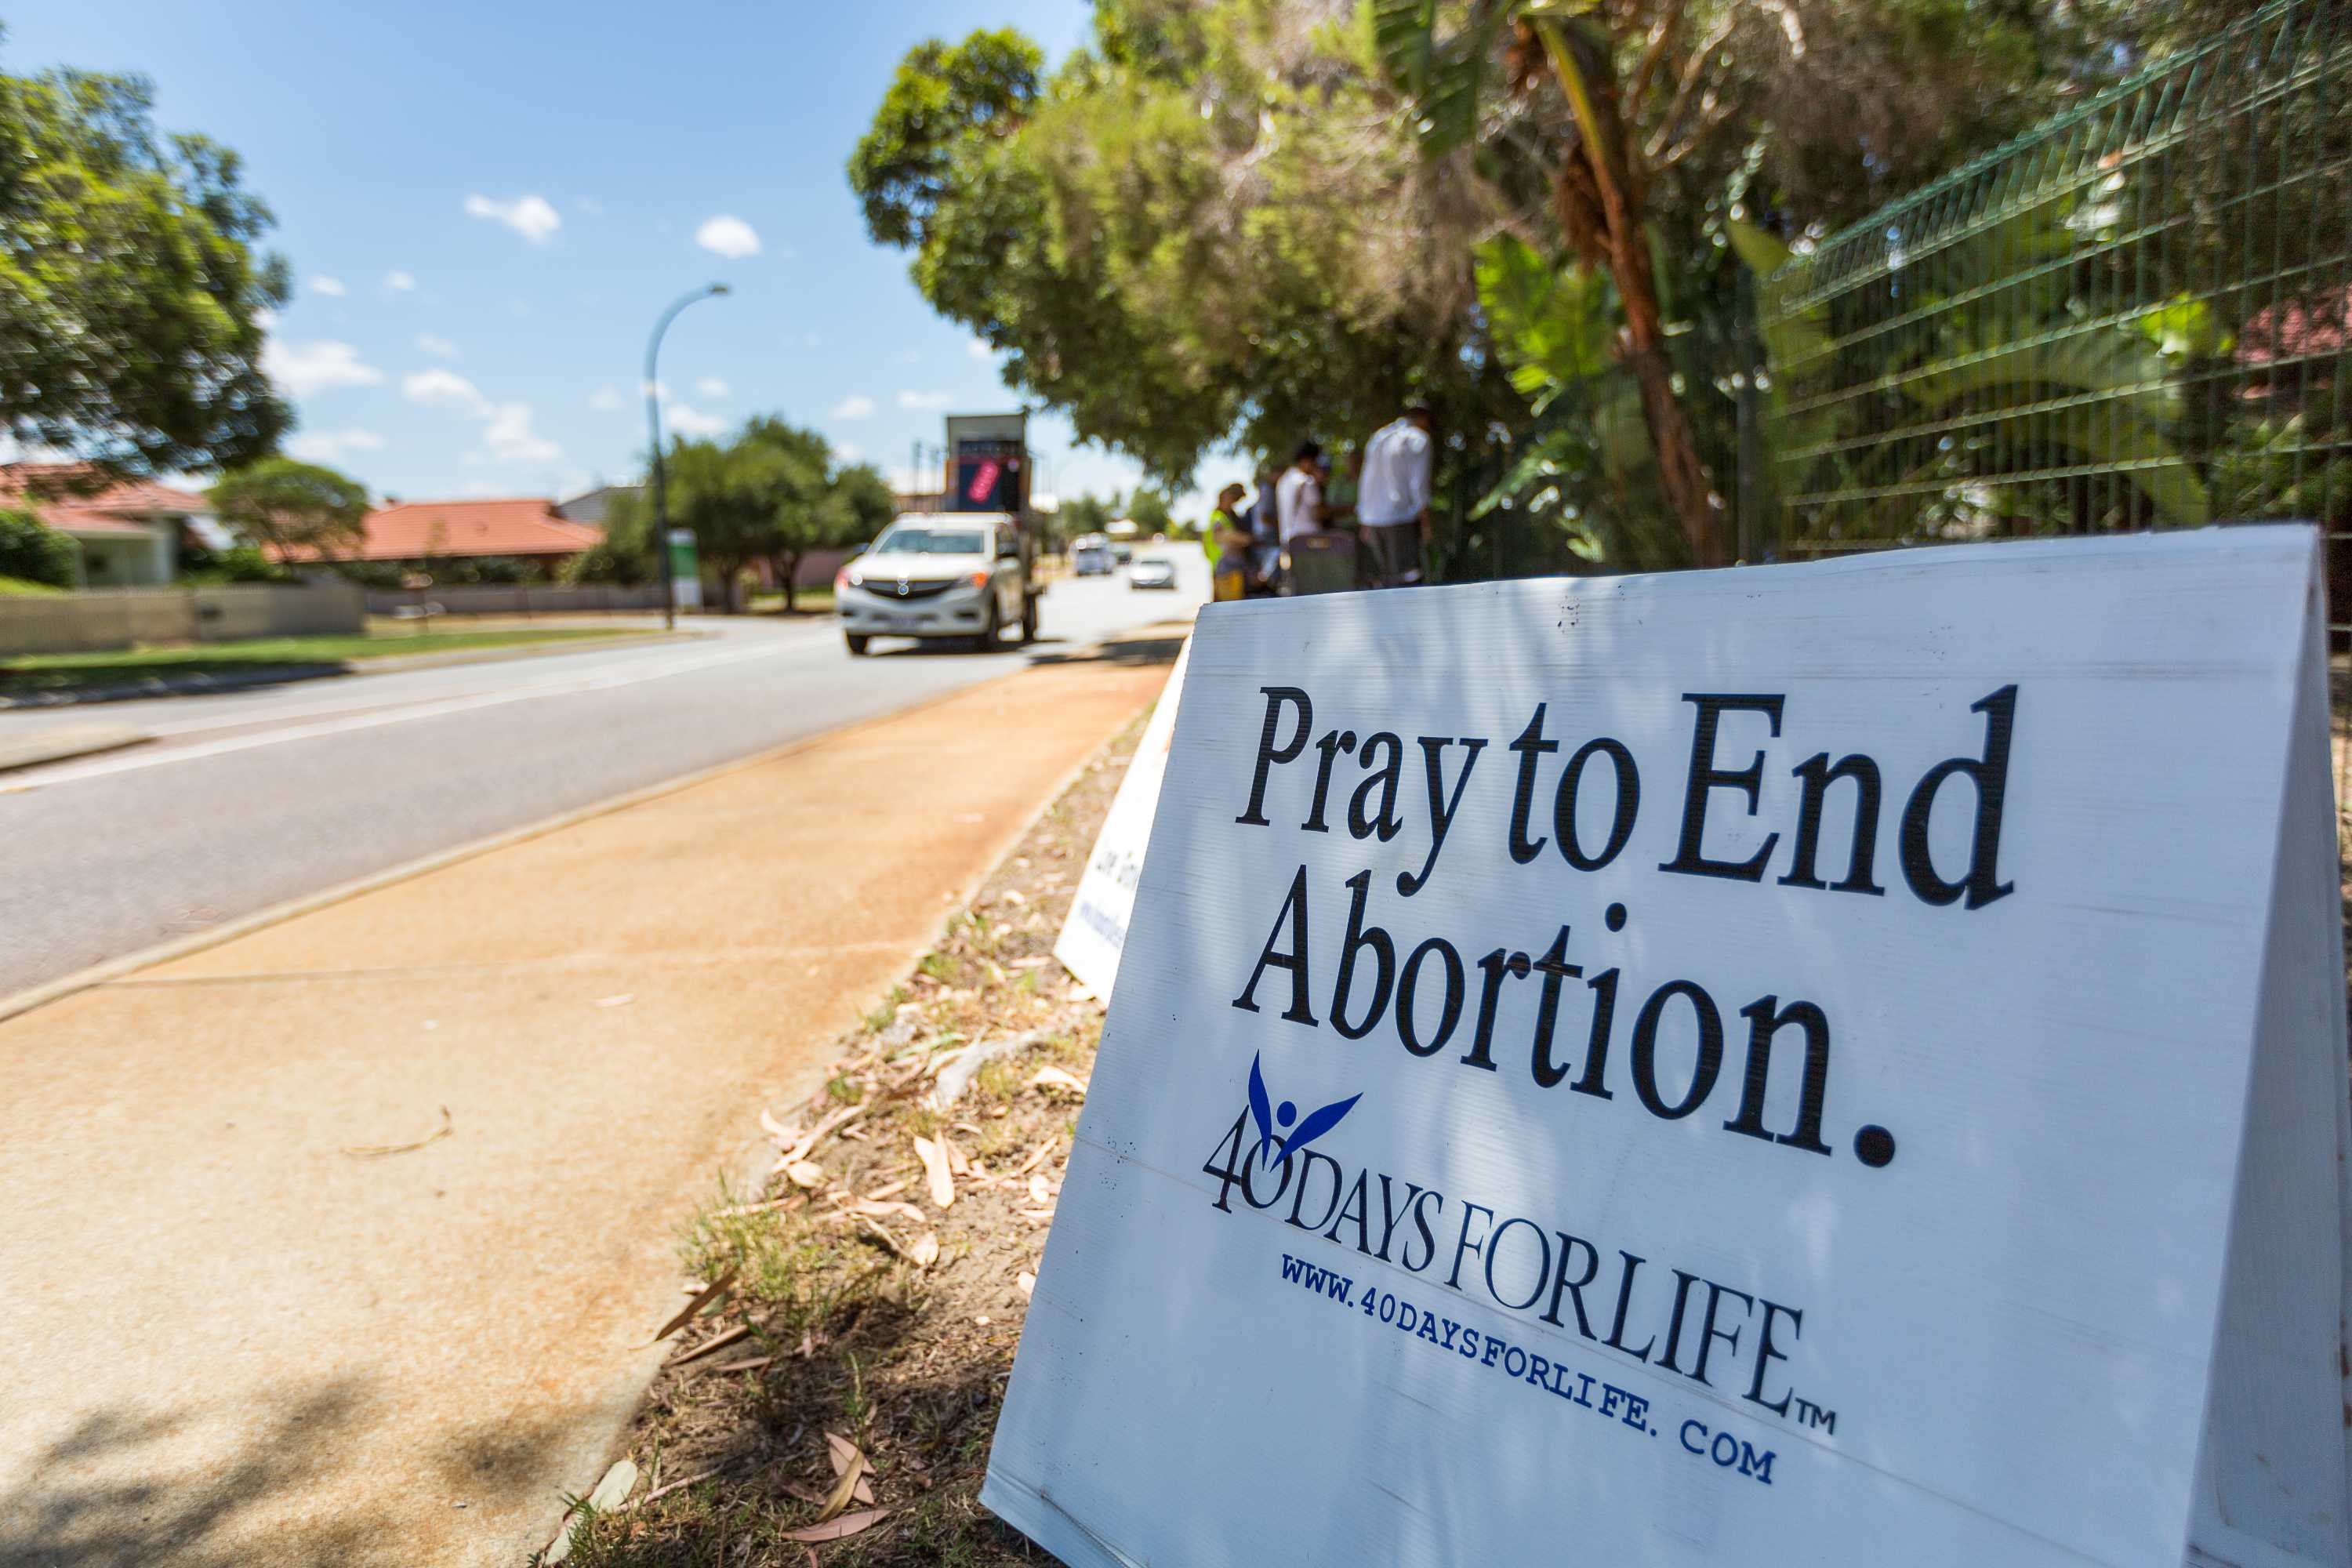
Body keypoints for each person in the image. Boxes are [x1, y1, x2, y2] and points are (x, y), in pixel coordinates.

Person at [1357, 402, 1434, 586]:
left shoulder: (1379, 437)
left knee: (1387, 580)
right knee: (1407, 580)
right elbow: (1419, 483)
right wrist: (1425, 521)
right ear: (1423, 419)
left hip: (1374, 519)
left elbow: (1366, 480)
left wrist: (1364, 518)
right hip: (1401, 518)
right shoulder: (1418, 438)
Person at [1275, 441, 1332, 545]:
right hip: (1308, 542)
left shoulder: (1283, 480)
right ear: (1308, 460)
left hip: (1288, 541)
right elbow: (1319, 513)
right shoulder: (1307, 481)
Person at [1209, 483, 1258, 601]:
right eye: (1233, 498)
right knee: (1229, 607)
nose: (1234, 503)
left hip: (1229, 568)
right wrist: (1247, 539)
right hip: (1225, 568)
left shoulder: (1229, 516)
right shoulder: (1218, 517)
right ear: (1225, 497)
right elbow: (1223, 536)